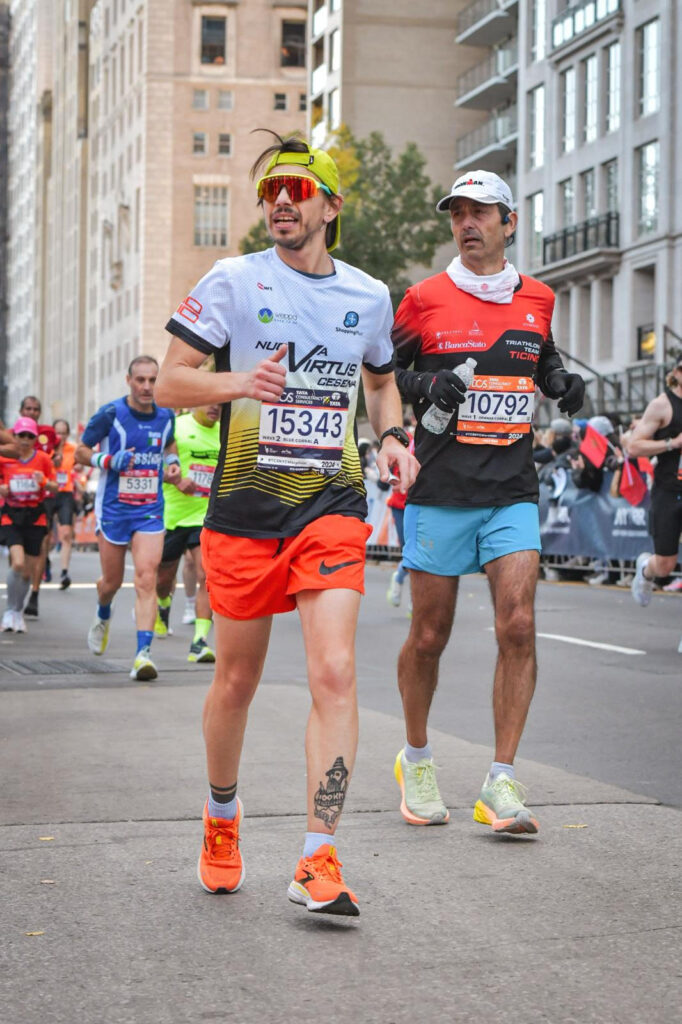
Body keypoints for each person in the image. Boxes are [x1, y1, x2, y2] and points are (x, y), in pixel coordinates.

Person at [156, 131, 418, 917]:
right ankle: (222, 816)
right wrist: (242, 381)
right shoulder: (234, 281)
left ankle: (318, 856)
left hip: (331, 506)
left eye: (296, 191)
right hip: (243, 510)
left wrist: (396, 440)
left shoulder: (369, 296)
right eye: (270, 191)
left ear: (330, 206)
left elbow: (380, 384)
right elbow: (169, 381)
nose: (279, 202)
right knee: (236, 679)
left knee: (334, 671)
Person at [390, 169, 584, 835]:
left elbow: (539, 355)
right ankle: (415, 758)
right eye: (458, 214)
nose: (467, 224)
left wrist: (560, 380)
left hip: (510, 489)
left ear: (510, 223)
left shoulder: (538, 297)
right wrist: (430, 383)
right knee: (429, 635)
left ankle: (500, 781)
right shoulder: (423, 299)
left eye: (481, 213)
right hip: (441, 490)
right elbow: (383, 376)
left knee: (519, 625)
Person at [75, 356, 180, 681]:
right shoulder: (111, 413)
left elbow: (169, 443)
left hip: (149, 509)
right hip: (114, 509)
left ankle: (142, 656)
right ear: (129, 381)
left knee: (147, 578)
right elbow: (80, 451)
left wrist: (173, 462)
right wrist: (107, 459)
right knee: (111, 583)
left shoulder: (166, 414)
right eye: (141, 380)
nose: (147, 386)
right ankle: (103, 611)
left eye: (152, 380)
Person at [155, 402, 221, 662]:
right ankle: (163, 605)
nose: (216, 408)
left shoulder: (224, 432)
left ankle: (199, 642)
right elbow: (150, 467)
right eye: (210, 402)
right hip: (171, 515)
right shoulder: (177, 429)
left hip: (206, 516)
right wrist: (175, 480)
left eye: (221, 403)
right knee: (163, 579)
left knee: (207, 574)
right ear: (195, 403)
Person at [628, 357, 682, 611]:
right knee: (665, 565)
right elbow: (634, 445)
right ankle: (646, 571)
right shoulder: (662, 405)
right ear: (676, 373)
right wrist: (672, 443)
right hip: (669, 491)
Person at [0, 417, 57, 632]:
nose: (25, 440)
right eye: (21, 435)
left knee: (27, 573)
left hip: (35, 517)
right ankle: (9, 610)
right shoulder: (5, 458)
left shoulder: (42, 459)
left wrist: (43, 481)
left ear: (35, 439)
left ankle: (17, 612)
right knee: (17, 563)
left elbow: (54, 488)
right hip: (11, 516)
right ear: (14, 437)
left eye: (29, 436)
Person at [50, 419, 82, 590]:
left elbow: (81, 464)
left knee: (66, 533)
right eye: (57, 433)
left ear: (68, 434)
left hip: (66, 493)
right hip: (48, 493)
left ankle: (64, 571)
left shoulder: (73, 449)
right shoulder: (47, 449)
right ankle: (45, 562)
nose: (60, 436)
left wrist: (78, 469)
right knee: (46, 537)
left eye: (63, 433)